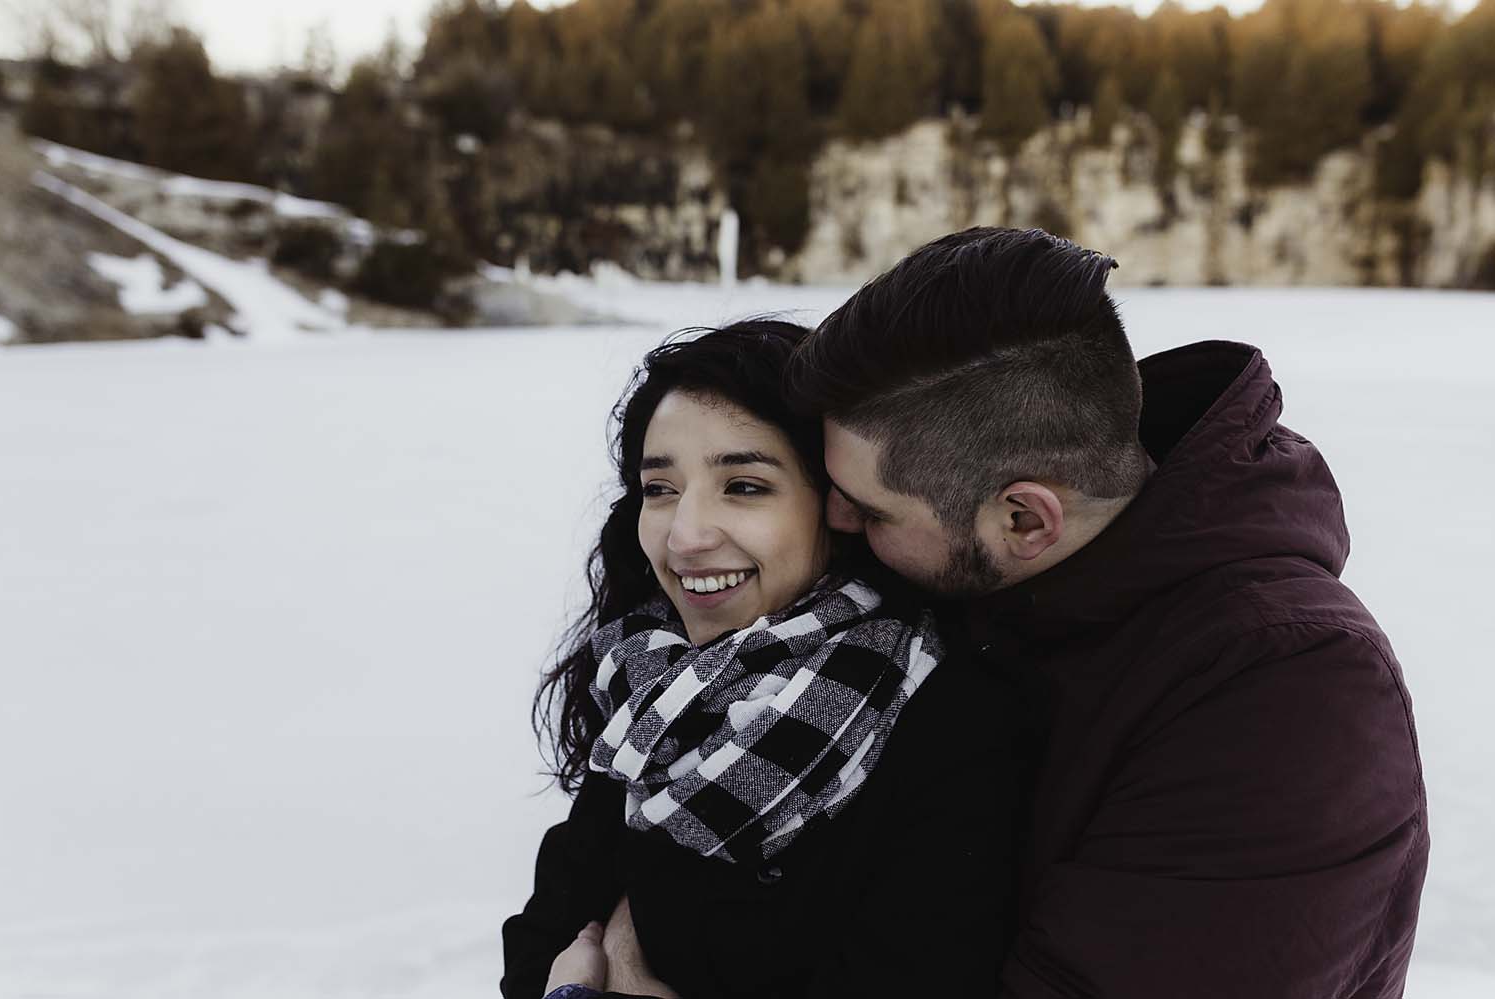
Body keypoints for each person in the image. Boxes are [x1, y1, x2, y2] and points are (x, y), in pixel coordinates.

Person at [601, 227, 1429, 997]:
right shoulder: (950, 598)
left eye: (873, 510)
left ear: (1026, 520)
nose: (838, 525)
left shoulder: (1289, 701)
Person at [501, 320, 1020, 999]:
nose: (685, 536)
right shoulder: (650, 685)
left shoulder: (946, 720)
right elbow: (536, 948)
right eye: (660, 489)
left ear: (839, 507)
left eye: (744, 486)